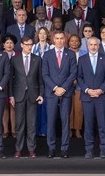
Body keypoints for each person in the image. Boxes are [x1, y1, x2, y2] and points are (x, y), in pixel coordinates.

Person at [41, 30, 76, 158]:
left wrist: (64, 88)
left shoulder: (71, 54)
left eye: (62, 38)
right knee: (50, 121)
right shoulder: (47, 55)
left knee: (66, 121)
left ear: (65, 40)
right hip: (52, 92)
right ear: (53, 40)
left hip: (66, 92)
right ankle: (51, 148)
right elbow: (45, 74)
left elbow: (73, 73)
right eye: (57, 38)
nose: (60, 40)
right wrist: (55, 88)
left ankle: (65, 148)